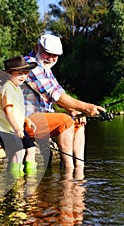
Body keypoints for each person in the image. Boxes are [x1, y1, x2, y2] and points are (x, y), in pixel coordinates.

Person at [23, 34, 105, 169]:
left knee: (79, 120)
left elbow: (58, 90)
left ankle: (79, 168)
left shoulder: (45, 67)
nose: (51, 58)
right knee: (65, 121)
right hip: (26, 120)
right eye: (47, 53)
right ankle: (68, 170)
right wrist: (86, 107)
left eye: (55, 55)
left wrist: (73, 109)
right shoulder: (29, 65)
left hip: (43, 118)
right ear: (37, 48)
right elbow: (54, 94)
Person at [0, 56, 38, 177]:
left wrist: (26, 120)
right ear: (9, 74)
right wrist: (17, 128)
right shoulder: (7, 88)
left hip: (16, 128)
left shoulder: (16, 88)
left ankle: (31, 177)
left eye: (25, 73)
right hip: (4, 129)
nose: (23, 76)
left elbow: (17, 111)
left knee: (31, 149)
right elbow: (8, 111)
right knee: (20, 151)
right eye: (19, 73)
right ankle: (15, 178)